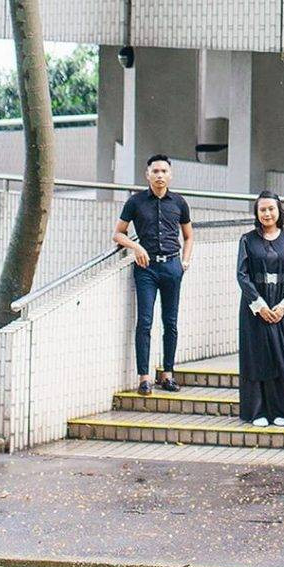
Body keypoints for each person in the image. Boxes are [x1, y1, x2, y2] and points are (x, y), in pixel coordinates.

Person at [113, 153, 193, 394]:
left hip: (172, 267)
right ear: (147, 174)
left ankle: (168, 374)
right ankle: (144, 378)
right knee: (144, 322)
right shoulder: (135, 202)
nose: (160, 175)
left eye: (164, 171)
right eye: (155, 171)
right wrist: (136, 247)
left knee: (170, 322)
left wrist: (185, 262)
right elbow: (118, 233)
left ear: (170, 174)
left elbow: (188, 235)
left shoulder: (179, 202)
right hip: (146, 269)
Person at [236, 191, 284, 427]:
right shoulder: (247, 240)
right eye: (262, 209)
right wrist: (260, 305)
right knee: (257, 358)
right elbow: (242, 275)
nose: (267, 213)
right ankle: (257, 411)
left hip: (281, 310)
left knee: (281, 358)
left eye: (271, 209)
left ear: (279, 211)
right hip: (255, 310)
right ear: (256, 213)